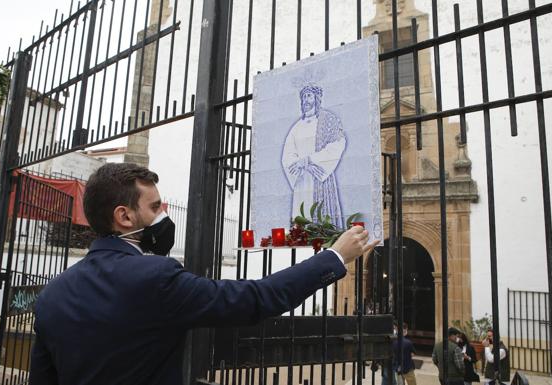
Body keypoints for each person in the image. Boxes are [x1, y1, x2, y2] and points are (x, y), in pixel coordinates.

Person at [29, 163, 379, 385]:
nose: (164, 216)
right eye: (154, 208)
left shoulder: (52, 295)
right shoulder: (155, 278)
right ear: (124, 217)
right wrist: (334, 256)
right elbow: (257, 298)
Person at [281, 82, 346, 227]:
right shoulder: (296, 127)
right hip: (302, 181)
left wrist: (310, 160)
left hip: (320, 178)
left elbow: (338, 144)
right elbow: (288, 154)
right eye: (303, 97)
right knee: (302, 217)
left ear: (316, 98)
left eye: (309, 96)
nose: (305, 101)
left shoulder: (328, 120)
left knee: (322, 220)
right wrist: (299, 163)